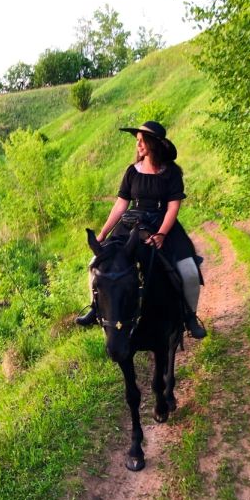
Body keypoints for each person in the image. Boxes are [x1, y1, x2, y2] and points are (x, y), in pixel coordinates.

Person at [76, 120, 207, 339]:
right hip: (131, 224)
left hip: (163, 224)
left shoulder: (171, 172)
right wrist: (102, 234)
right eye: (137, 141)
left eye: (141, 141)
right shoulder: (132, 171)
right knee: (95, 263)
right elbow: (121, 204)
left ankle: (190, 316)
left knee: (189, 270)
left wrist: (162, 234)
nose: (138, 146)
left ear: (153, 144)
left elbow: (173, 207)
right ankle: (94, 308)